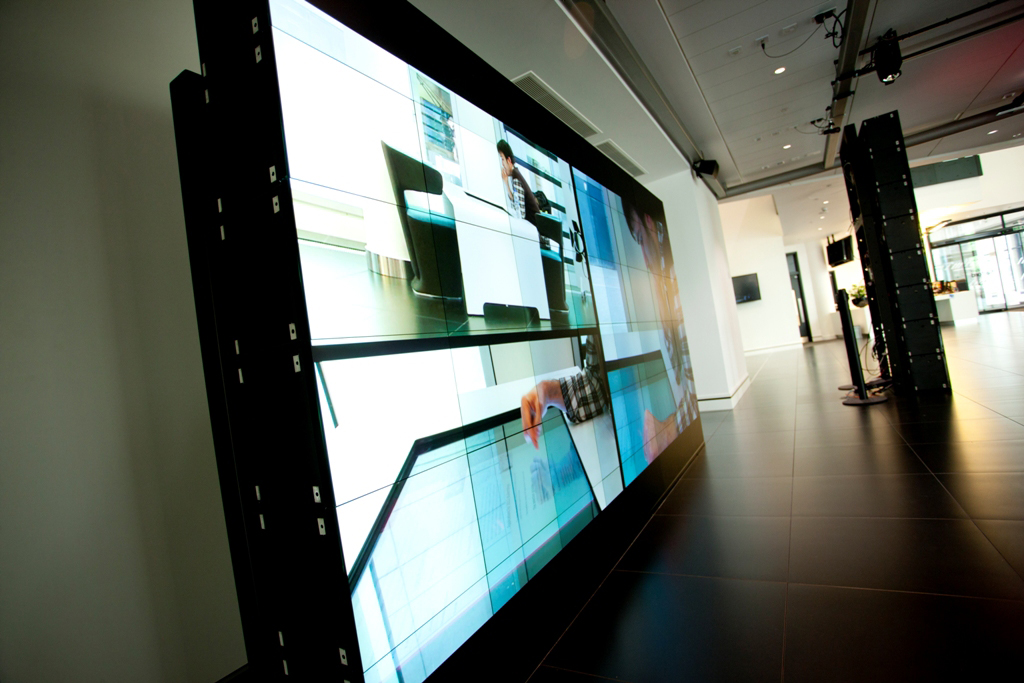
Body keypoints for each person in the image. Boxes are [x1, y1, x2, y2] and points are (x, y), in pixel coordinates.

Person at [497, 139, 540, 224]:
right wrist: (506, 183)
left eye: (502, 159)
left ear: (508, 160)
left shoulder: (516, 178)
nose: (502, 164)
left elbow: (520, 214)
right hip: (533, 226)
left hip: (534, 227)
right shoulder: (516, 175)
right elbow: (516, 201)